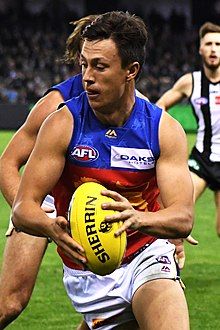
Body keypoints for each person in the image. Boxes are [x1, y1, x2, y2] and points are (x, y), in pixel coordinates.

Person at [12, 11, 194, 329]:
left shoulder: (163, 129)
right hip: (89, 272)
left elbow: (183, 217)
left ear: (131, 70)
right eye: (84, 64)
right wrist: (49, 226)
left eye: (99, 66)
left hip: (146, 255)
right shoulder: (61, 123)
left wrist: (139, 219)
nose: (87, 77)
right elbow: (22, 208)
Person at [0, 15, 97, 330]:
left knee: (116, 309)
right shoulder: (55, 103)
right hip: (46, 204)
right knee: (9, 303)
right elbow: (7, 162)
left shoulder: (134, 108)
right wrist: (28, 213)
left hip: (93, 212)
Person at [157, 21, 220, 237]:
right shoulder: (190, 82)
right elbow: (160, 106)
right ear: (200, 48)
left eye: (218, 44)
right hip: (201, 159)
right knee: (173, 211)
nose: (213, 49)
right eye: (209, 43)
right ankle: (166, 261)